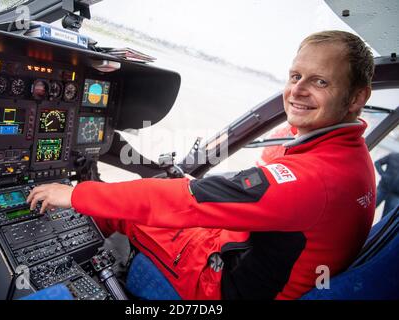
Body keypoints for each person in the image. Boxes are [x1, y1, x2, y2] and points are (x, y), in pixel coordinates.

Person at [27, 30, 376, 300]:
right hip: (243, 255)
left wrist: (74, 195)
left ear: (357, 98)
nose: (297, 90)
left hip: (218, 287)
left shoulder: (316, 180)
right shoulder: (349, 157)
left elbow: (185, 200)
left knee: (126, 210)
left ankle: (44, 267)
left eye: (320, 81)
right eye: (295, 76)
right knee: (134, 203)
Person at [375, 152, 399, 217]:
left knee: (386, 218)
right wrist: (383, 175)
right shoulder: (393, 156)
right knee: (368, 209)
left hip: (396, 195)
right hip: (383, 188)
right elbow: (377, 163)